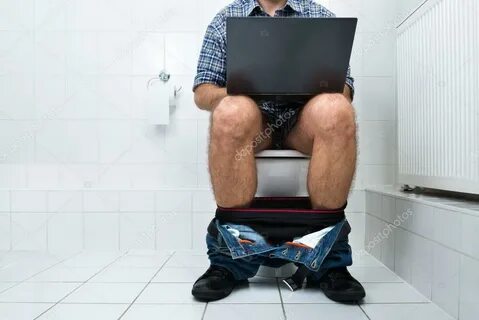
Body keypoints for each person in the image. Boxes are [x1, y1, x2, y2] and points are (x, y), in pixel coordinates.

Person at [191, 0, 365, 302]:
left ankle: (326, 260)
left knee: (337, 110)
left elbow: (345, 90)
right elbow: (203, 92)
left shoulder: (320, 17)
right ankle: (230, 259)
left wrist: (303, 84)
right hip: (255, 123)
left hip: (303, 123)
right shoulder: (225, 20)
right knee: (230, 111)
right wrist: (246, 89)